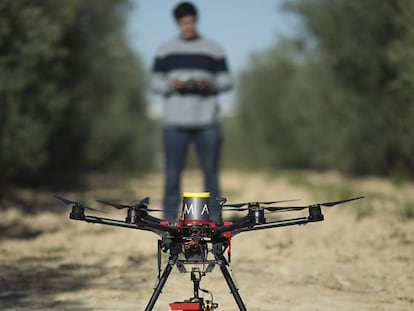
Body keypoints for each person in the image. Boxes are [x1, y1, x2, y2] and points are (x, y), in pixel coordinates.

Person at [150, 2, 233, 223]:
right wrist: (172, 84)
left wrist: (210, 83)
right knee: (172, 175)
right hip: (174, 124)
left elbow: (227, 81)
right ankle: (168, 222)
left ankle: (214, 219)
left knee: (211, 174)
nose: (188, 25)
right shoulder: (165, 49)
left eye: (191, 21)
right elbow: (154, 83)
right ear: (178, 23)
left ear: (196, 20)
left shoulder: (213, 49)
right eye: (184, 22)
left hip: (207, 122)